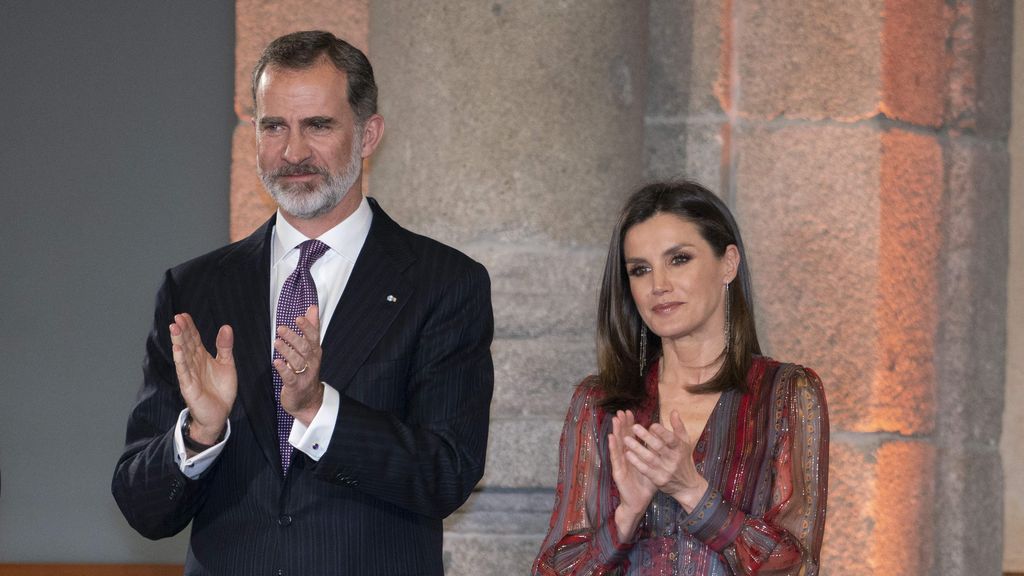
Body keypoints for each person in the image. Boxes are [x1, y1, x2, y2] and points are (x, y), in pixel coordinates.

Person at [112, 31, 493, 575]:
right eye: (274, 126)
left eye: (318, 125)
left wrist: (318, 409)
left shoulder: (443, 283)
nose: (293, 152)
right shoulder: (194, 289)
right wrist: (200, 432)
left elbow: (447, 474)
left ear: (368, 135)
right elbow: (142, 507)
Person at [533, 181, 828, 575]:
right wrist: (627, 515)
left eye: (679, 259)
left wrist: (692, 491)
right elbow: (550, 570)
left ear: (728, 263)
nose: (659, 286)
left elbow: (798, 567)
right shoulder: (599, 401)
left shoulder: (785, 394)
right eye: (640, 270)